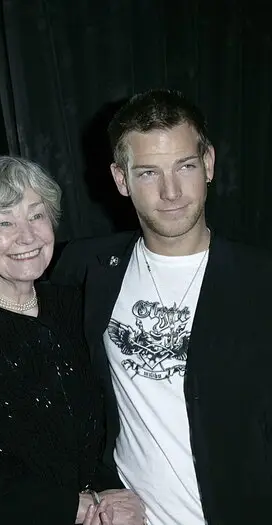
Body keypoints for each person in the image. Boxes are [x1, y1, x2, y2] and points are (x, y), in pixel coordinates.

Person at [51, 89, 272, 524]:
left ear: (208, 163)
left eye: (185, 166)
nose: (171, 191)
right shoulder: (84, 268)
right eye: (149, 172)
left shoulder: (261, 282)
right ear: (121, 179)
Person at [0, 154, 144, 525]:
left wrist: (119, 500)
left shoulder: (76, 305)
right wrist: (82, 506)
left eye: (36, 215)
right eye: (4, 222)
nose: (27, 236)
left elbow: (112, 427)